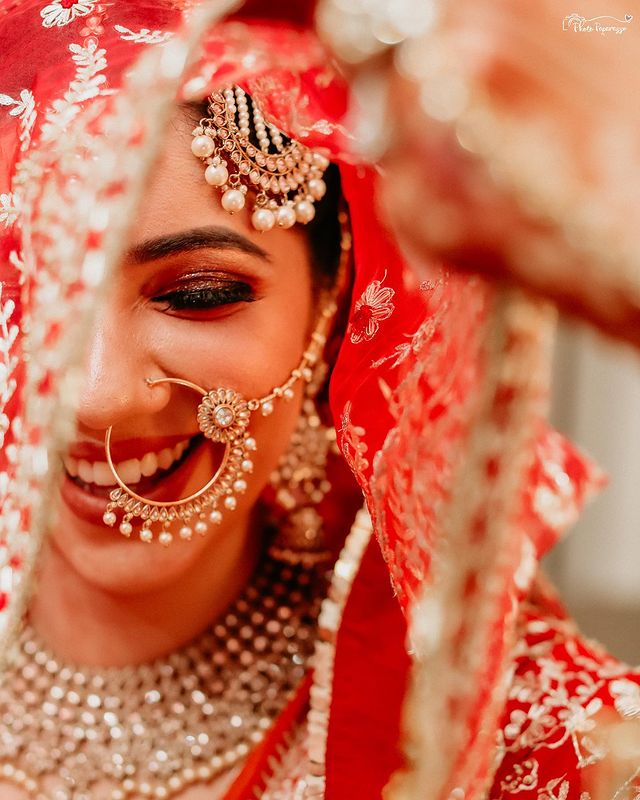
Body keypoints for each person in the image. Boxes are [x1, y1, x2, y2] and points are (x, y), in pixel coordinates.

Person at [0, 2, 638, 799]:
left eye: (199, 295)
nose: (96, 396)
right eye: (29, 288)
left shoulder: (533, 741)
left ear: (332, 301)